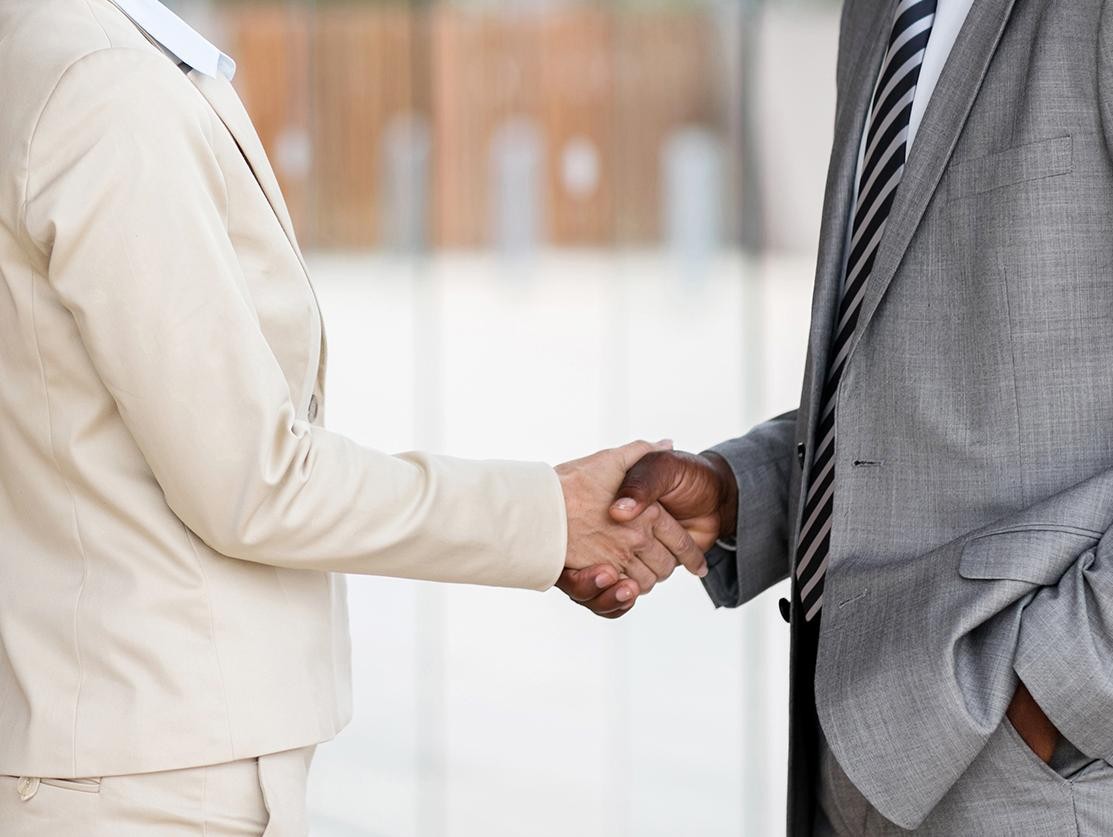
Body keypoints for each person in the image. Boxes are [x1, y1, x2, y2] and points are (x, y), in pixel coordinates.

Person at [0, 1, 707, 833]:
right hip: (148, 777)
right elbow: (253, 482)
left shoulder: (46, 49)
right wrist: (552, 516)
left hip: (107, 747)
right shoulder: (104, 84)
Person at [568, 0, 1113, 834]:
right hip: (845, 759)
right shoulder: (878, 17)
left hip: (1039, 778)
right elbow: (920, 366)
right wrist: (741, 493)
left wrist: (1055, 696)